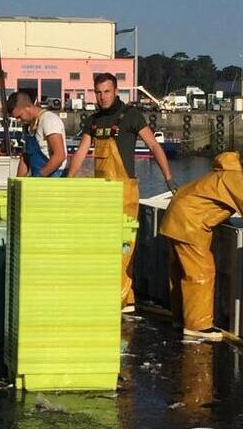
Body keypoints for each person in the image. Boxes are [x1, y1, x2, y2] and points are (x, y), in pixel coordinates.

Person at [68, 73, 175, 314]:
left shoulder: (131, 116)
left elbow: (154, 146)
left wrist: (168, 178)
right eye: (98, 92)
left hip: (124, 193)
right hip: (101, 195)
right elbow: (81, 151)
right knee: (104, 246)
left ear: (116, 91)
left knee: (124, 247)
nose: (102, 97)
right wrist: (69, 180)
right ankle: (119, 296)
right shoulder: (93, 121)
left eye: (106, 91)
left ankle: (124, 299)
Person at [159, 152, 243, 341]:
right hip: (190, 224)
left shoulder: (225, 174)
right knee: (202, 272)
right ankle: (198, 325)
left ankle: (181, 319)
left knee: (181, 272)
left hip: (176, 218)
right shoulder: (237, 179)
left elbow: (213, 203)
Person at [7, 90, 67, 177]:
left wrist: (39, 176)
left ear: (28, 106)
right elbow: (25, 158)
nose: (18, 121)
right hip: (38, 176)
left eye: (19, 116)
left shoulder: (49, 120)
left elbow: (59, 156)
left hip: (53, 177)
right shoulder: (29, 127)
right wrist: (18, 182)